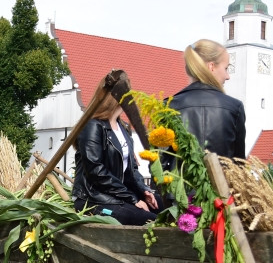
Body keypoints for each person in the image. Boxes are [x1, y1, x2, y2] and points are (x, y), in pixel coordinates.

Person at [73, 70, 160, 226]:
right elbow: (96, 172)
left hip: (119, 195)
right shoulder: (92, 126)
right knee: (151, 221)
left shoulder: (123, 128)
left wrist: (143, 191)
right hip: (94, 199)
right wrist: (132, 199)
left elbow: (132, 169)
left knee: (166, 209)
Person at [169, 39, 246, 158]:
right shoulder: (234, 108)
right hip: (222, 176)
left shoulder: (169, 106)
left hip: (178, 176)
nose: (228, 76)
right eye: (226, 68)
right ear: (211, 67)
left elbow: (161, 163)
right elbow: (239, 165)